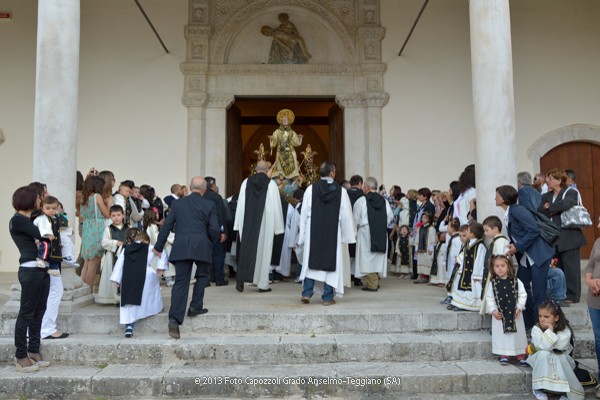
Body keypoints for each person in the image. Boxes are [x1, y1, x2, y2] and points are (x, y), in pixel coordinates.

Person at [154, 176, 219, 339]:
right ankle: (196, 305)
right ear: (204, 190)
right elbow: (215, 229)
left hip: (182, 244)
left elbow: (167, 225)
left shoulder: (178, 203)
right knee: (203, 275)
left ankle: (174, 319)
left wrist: (158, 246)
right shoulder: (209, 204)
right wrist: (209, 242)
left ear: (190, 188)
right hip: (201, 244)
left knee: (181, 281)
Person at [496, 185, 554, 330]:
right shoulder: (511, 211)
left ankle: (540, 326)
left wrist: (518, 246)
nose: (495, 197)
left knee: (539, 292)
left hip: (538, 255)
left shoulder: (517, 210)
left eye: (496, 195)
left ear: (503, 198)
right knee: (520, 286)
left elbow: (533, 229)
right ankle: (529, 321)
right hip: (527, 257)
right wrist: (514, 245)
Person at [298, 161, 355, 306]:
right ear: (332, 173)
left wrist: (302, 235)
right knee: (331, 264)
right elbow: (346, 215)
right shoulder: (341, 191)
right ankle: (328, 297)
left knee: (311, 261)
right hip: (333, 232)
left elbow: (303, 213)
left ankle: (307, 292)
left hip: (313, 230)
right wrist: (347, 237)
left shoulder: (311, 189)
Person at [9, 185, 51, 372]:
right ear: (28, 200)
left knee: (39, 311)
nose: (40, 201)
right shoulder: (17, 220)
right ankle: (20, 356)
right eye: (37, 198)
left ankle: (34, 350)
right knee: (26, 313)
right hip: (29, 269)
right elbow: (43, 235)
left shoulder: (32, 219)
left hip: (42, 270)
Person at [233, 160, 285, 293]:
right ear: (268, 170)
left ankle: (242, 278)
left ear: (255, 169)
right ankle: (262, 284)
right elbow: (276, 206)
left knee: (246, 249)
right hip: (265, 223)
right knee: (264, 252)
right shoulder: (271, 184)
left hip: (248, 221)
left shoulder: (246, 182)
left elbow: (241, 204)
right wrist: (278, 227)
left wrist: (238, 224)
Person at [538, 168, 587, 303]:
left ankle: (573, 295)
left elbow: (566, 204)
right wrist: (551, 208)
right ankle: (559, 293)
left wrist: (550, 207)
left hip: (570, 236)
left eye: (551, 178)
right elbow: (540, 210)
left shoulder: (570, 192)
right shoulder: (546, 196)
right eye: (548, 178)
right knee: (556, 266)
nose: (547, 181)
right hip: (553, 237)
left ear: (559, 180)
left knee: (571, 268)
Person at [111, 229, 168, 338]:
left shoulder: (126, 249)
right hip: (146, 275)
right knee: (150, 295)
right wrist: (161, 268)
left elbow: (119, 264)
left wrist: (117, 279)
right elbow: (162, 252)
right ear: (146, 241)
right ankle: (157, 308)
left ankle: (129, 326)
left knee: (129, 304)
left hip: (129, 276)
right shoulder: (149, 248)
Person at [526, 300, 584, 400]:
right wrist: (550, 333)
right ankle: (538, 388)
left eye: (546, 317)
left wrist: (548, 334)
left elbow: (560, 345)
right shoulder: (536, 328)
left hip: (562, 357)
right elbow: (542, 346)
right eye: (540, 316)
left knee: (557, 357)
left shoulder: (564, 329)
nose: (542, 319)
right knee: (544, 354)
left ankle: (564, 392)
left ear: (556, 318)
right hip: (540, 358)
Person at [485, 255, 528, 366]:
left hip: (515, 315)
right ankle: (504, 354)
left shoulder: (516, 281)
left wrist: (519, 307)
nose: (500, 268)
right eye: (497, 266)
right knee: (502, 336)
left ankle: (520, 355)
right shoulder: (492, 283)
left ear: (508, 267)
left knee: (517, 335)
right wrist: (493, 310)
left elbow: (523, 295)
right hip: (500, 316)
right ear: (493, 268)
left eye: (503, 266)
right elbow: (489, 298)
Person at [353, 176, 393, 292]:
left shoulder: (361, 201)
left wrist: (355, 232)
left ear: (366, 187)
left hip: (365, 232)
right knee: (377, 257)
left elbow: (355, 219)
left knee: (366, 257)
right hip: (380, 231)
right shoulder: (384, 201)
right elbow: (390, 217)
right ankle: (375, 279)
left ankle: (372, 283)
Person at [80, 175, 111, 290]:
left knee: (87, 264)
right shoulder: (97, 197)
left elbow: (82, 215)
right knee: (94, 264)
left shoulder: (84, 198)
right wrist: (109, 203)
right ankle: (89, 291)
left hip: (87, 229)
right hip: (96, 230)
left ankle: (83, 290)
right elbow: (107, 215)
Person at [449, 222, 486, 311]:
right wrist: (458, 259)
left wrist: (477, 275)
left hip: (473, 273)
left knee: (470, 290)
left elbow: (480, 261)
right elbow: (464, 254)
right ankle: (458, 304)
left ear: (472, 234)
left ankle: (467, 306)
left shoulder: (480, 246)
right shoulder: (469, 244)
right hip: (465, 271)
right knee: (461, 288)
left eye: (468, 231)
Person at [96, 205, 128, 305]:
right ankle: (114, 299)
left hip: (126, 256)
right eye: (113, 215)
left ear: (123, 215)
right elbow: (104, 242)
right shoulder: (108, 229)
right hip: (112, 257)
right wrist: (115, 243)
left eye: (118, 215)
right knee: (114, 275)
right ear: (110, 216)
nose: (116, 217)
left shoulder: (128, 228)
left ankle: (125, 297)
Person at [584, 216, 600, 395]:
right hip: (594, 297)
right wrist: (589, 281)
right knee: (598, 338)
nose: (597, 225)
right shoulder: (598, 241)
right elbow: (589, 266)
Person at [203, 176, 228, 286]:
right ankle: (219, 279)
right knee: (218, 254)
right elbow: (221, 216)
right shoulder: (217, 197)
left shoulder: (200, 196)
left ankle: (206, 279)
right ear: (213, 185)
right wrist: (223, 231)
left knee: (205, 255)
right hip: (215, 229)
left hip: (202, 230)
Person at [479, 215, 510, 302]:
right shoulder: (496, 241)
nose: (485, 233)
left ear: (495, 229)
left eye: (487, 230)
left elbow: (501, 259)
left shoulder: (501, 241)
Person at [268, 109, 303, 180]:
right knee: (280, 170)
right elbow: (273, 143)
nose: (285, 120)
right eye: (283, 119)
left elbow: (296, 143)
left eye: (286, 119)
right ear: (281, 121)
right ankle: (281, 179)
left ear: (289, 121)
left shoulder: (292, 132)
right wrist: (272, 139)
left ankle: (292, 179)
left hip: (290, 151)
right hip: (280, 152)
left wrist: (299, 138)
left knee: (293, 166)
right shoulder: (277, 132)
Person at [32, 196, 62, 276]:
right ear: (42, 208)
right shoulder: (42, 218)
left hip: (53, 240)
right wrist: (48, 235)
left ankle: (53, 268)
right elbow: (43, 228)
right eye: (48, 208)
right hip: (44, 239)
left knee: (56, 252)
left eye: (54, 208)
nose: (51, 210)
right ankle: (40, 259)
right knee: (46, 246)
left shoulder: (55, 218)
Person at [347, 174, 365, 286]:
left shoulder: (345, 193)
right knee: (358, 252)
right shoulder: (363, 195)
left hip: (347, 225)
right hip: (359, 227)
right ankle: (357, 277)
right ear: (360, 184)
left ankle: (348, 275)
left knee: (348, 252)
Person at [440, 218, 461, 304]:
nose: (447, 228)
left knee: (453, 279)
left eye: (448, 226)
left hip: (453, 263)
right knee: (449, 278)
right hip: (450, 262)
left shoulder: (457, 239)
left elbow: (457, 252)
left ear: (453, 227)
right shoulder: (452, 238)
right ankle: (449, 294)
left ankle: (452, 296)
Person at [412, 212, 437, 284]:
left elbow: (433, 239)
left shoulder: (431, 228)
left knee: (427, 261)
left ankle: (426, 276)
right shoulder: (420, 228)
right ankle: (420, 275)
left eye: (425, 218)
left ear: (429, 219)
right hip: (421, 249)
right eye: (422, 218)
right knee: (421, 261)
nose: (423, 219)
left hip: (427, 249)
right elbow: (417, 238)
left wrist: (431, 248)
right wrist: (416, 247)